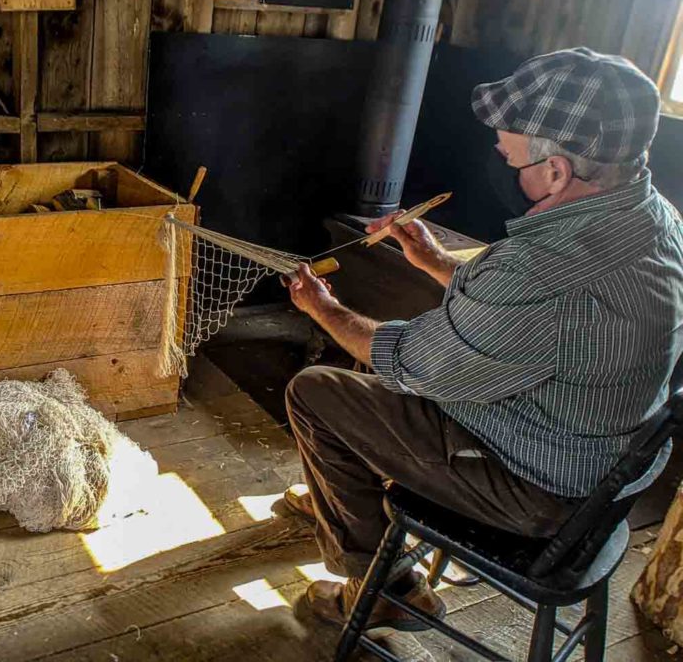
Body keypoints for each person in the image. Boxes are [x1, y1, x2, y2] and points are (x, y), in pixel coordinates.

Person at [285, 48, 683, 634]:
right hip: (600, 467)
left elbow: (409, 359)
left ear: (556, 172)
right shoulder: (656, 219)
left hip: (540, 491)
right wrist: (436, 261)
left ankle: (383, 584)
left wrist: (324, 308)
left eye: (510, 153)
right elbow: (532, 319)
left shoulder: (540, 270)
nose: (500, 158)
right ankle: (344, 495)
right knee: (379, 380)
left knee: (316, 392)